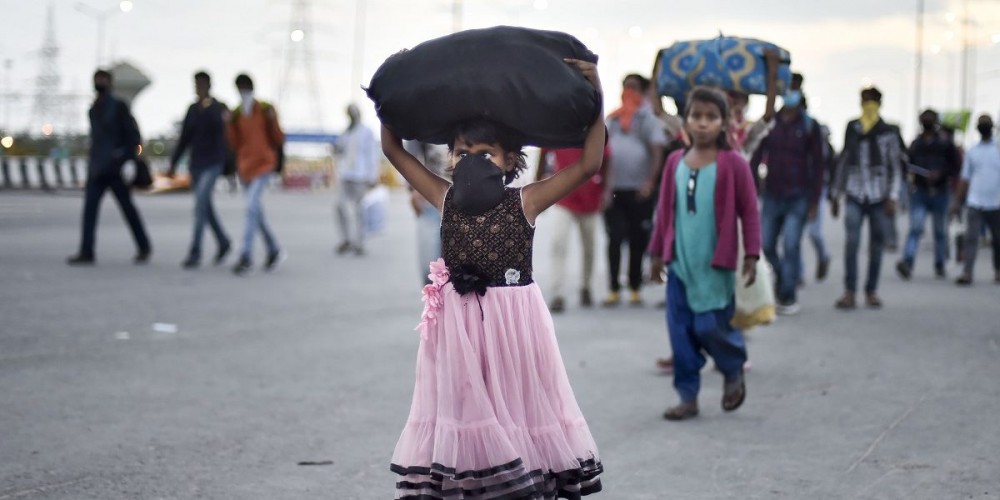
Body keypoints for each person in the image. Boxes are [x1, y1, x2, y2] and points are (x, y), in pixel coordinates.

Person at [380, 58, 605, 498]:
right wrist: (390, 93)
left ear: (510, 161)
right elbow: (394, 151)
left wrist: (596, 95)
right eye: (462, 153)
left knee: (513, 407)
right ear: (449, 158)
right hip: (458, 330)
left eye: (484, 154)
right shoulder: (442, 197)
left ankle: (518, 482)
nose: (471, 161)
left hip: (513, 326)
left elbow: (588, 165)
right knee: (466, 408)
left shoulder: (527, 201)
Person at [648, 86, 760, 421]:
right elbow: (664, 213)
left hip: (716, 266)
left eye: (711, 117)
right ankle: (688, 397)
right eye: (696, 116)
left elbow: (749, 211)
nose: (702, 123)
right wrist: (656, 254)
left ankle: (732, 367)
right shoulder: (674, 163)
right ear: (685, 121)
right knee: (680, 333)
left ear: (725, 123)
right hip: (680, 265)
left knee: (712, 327)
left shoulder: (734, 164)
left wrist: (751, 254)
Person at [749, 73, 824, 315]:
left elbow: (819, 165)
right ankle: (783, 278)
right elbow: (758, 155)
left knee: (792, 244)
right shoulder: (772, 123)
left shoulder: (809, 126)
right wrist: (749, 187)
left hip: (799, 194)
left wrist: (815, 200)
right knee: (766, 244)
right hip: (772, 193)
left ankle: (788, 294)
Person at [829, 86, 903, 309]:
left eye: (871, 100)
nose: (867, 104)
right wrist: (836, 194)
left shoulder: (889, 131)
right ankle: (850, 291)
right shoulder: (853, 127)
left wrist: (893, 196)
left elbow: (895, 166)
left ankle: (871, 290)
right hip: (854, 191)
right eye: (865, 100)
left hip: (879, 194)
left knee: (876, 246)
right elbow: (844, 160)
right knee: (852, 243)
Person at [67, 69, 151, 266]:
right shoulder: (93, 108)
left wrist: (129, 158)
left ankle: (144, 246)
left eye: (102, 80)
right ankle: (86, 250)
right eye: (96, 80)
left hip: (116, 168)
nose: (99, 83)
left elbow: (132, 134)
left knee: (127, 209)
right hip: (97, 168)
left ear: (110, 82)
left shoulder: (119, 106)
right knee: (89, 210)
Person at [603, 73, 668, 306]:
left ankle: (634, 287)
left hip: (639, 190)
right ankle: (613, 287)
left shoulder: (647, 119)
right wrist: (604, 188)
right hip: (614, 190)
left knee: (638, 238)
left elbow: (657, 150)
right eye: (625, 87)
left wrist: (650, 182)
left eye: (633, 87)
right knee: (615, 238)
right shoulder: (612, 119)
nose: (628, 92)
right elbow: (604, 155)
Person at [167, 71, 232, 269]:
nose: (198, 88)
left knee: (200, 206)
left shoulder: (219, 108)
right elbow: (184, 138)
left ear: (209, 85)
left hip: (214, 162)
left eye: (202, 84)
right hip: (196, 164)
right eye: (196, 84)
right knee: (205, 208)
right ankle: (223, 242)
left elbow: (226, 133)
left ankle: (195, 251)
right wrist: (173, 163)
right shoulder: (192, 110)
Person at [534, 146, 610, 312]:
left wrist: (607, 189)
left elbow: (607, 158)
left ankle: (586, 286)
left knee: (589, 246)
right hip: (563, 196)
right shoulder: (560, 127)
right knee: (559, 243)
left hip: (590, 197)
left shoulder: (593, 127)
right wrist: (537, 188)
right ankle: (557, 293)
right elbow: (543, 154)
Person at [226, 73, 285, 275]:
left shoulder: (266, 109)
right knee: (256, 212)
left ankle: (246, 256)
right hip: (245, 167)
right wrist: (228, 125)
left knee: (251, 207)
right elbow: (234, 144)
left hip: (264, 165)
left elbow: (278, 138)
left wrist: (272, 120)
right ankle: (274, 249)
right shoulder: (236, 114)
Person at [896, 109, 961, 280]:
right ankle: (907, 261)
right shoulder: (917, 144)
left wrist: (941, 174)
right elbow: (907, 164)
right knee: (916, 227)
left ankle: (940, 263)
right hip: (920, 191)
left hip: (940, 191)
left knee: (940, 231)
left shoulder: (945, 144)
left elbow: (955, 165)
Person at [951, 114, 1000, 285]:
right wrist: (957, 202)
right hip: (975, 201)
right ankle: (967, 272)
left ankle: (998, 272)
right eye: (981, 124)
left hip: (996, 203)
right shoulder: (972, 151)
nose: (983, 126)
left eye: (986, 124)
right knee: (971, 239)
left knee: (998, 240)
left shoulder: (998, 149)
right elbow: (965, 179)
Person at [334, 104, 380, 256]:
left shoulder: (366, 132)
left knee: (359, 210)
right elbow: (340, 149)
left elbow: (372, 154)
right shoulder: (346, 131)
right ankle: (346, 239)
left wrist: (373, 176)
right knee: (340, 207)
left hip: (360, 175)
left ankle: (359, 242)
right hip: (345, 174)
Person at [403, 140, 449, 284]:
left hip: (471, 196)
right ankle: (434, 303)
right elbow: (409, 150)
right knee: (429, 269)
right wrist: (414, 187)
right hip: (431, 195)